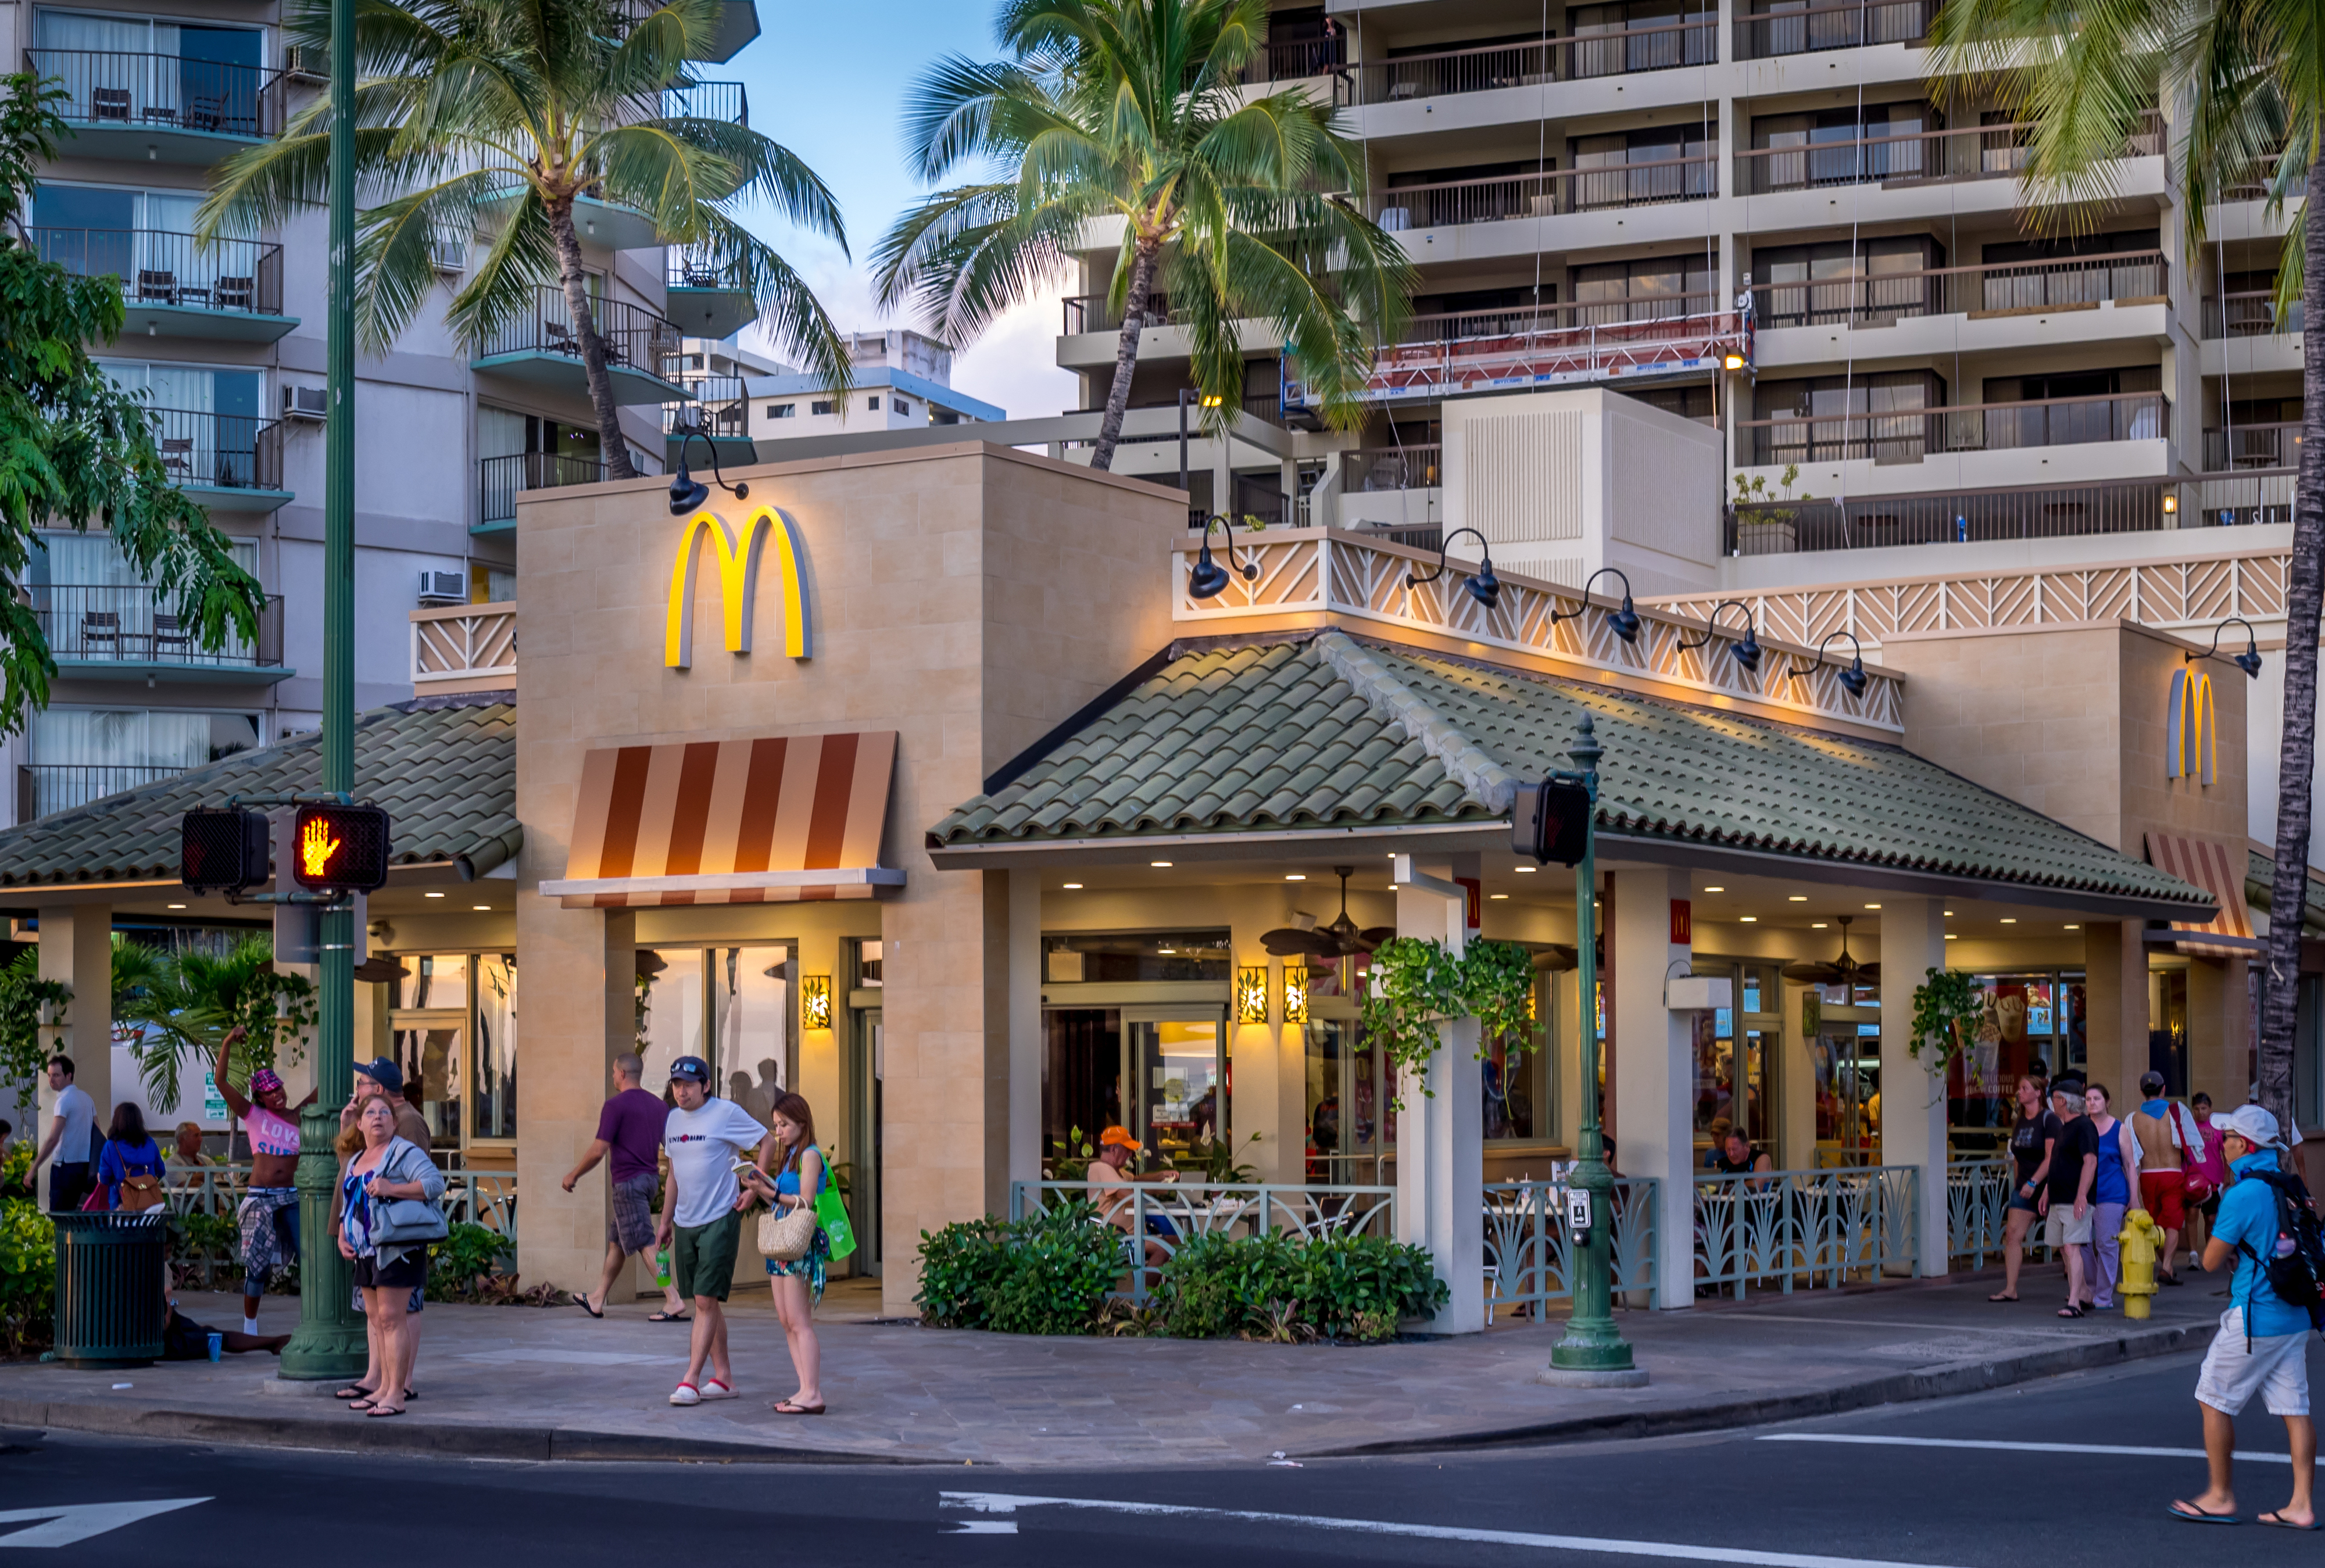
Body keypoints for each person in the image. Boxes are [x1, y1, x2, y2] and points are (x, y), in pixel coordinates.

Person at [2169, 1103, 2319, 1528]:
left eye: (2228, 1137)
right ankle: (2301, 1504)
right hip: (2295, 1317)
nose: (2222, 1143)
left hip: (2255, 1315)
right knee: (2296, 1408)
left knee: (2211, 1395)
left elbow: (2213, 1260)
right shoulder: (2289, 1185)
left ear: (2244, 1145)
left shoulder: (2243, 1194)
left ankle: (2220, 1495)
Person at [654, 1054, 770, 1406]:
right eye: (676, 1084)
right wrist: (665, 1220)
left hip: (720, 1217)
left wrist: (755, 1188)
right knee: (705, 1301)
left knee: (705, 1300)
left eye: (688, 1085)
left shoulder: (725, 1113)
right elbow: (674, 1172)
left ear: (706, 1086)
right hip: (685, 1221)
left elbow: (768, 1142)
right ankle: (724, 1378)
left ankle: (690, 1380)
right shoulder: (673, 1120)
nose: (681, 1091)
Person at [333, 1096, 443, 1418]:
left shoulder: (403, 1152)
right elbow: (349, 1201)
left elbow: (434, 1183)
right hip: (365, 1250)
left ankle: (396, 1393)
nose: (378, 1118)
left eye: (385, 1113)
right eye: (371, 1113)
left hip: (397, 1248)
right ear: (361, 1123)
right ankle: (382, 1387)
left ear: (394, 1123)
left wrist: (391, 1188)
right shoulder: (356, 1160)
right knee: (377, 1319)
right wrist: (343, 1233)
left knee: (393, 1319)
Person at [563, 1051, 686, 1321]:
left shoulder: (615, 1106)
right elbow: (671, 1147)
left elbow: (599, 1149)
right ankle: (597, 1298)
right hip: (650, 1180)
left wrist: (574, 1174)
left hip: (627, 1183)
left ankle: (673, 1299)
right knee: (617, 1242)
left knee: (645, 1241)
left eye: (613, 1073)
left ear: (621, 1074)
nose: (613, 1077)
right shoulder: (658, 1106)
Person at [216, 1029, 314, 1335]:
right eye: (270, 1092)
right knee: (258, 1265)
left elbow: (323, 1092)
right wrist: (228, 1042)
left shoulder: (299, 1116)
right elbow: (220, 1082)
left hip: (292, 1196)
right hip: (261, 1196)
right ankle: (250, 1324)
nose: (277, 1094)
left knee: (310, 1256)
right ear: (259, 1097)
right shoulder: (252, 1114)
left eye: (279, 1088)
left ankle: (314, 1321)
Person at [740, 1091, 828, 1416]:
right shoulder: (791, 1156)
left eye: (784, 1125)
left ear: (802, 1124)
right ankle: (804, 1389)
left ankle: (813, 1392)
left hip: (799, 1244)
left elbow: (804, 1201)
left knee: (800, 1321)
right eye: (776, 1125)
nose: (778, 1131)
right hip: (782, 1241)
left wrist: (771, 1190)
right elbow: (779, 1202)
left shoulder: (810, 1156)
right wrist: (760, 1189)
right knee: (786, 1321)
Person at [1991, 1074, 2059, 1304]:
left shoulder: (2049, 1120)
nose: (2019, 1092)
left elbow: (2052, 1157)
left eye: (2024, 1088)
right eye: (2019, 1089)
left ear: (2038, 1093)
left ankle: (2080, 1290)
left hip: (2048, 1184)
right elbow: (2017, 1155)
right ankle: (2011, 1288)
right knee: (2012, 1235)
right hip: (2024, 1187)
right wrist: (2019, 1181)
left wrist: (2034, 1182)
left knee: (2064, 1240)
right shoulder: (2020, 1120)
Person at [2133, 1072, 2204, 1287]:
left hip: (2147, 1176)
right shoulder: (2178, 1111)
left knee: (2154, 1224)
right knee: (2172, 1224)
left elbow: (2132, 1156)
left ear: (2142, 1092)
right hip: (2172, 1173)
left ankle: (2168, 1268)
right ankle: (2167, 1267)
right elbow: (2194, 1144)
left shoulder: (2132, 1118)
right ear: (2164, 1089)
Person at [2041, 1077, 2099, 1318]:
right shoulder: (2065, 1126)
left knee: (2071, 1247)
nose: (2051, 1103)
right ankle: (2084, 1293)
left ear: (2063, 1101)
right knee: (2064, 1248)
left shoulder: (2084, 1126)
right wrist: (2047, 1191)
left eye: (2054, 1098)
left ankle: (2074, 1301)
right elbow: (2057, 1163)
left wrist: (2082, 1196)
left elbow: (2090, 1161)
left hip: (2074, 1199)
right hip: (2059, 1197)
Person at [2083, 1082, 2142, 1311]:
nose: (2092, 1103)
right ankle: (2089, 1288)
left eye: (2097, 1098)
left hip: (2112, 1194)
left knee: (2107, 1244)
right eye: (2088, 1099)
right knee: (2081, 1244)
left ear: (2107, 1102)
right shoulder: (2082, 1127)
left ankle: (2103, 1296)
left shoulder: (2119, 1128)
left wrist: (2134, 1198)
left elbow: (2130, 1164)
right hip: (2085, 1194)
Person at [32, 1055, 96, 1213]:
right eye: (49, 1075)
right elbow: (97, 1131)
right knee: (77, 1216)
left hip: (65, 1166)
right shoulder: (87, 1099)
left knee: (59, 1216)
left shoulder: (64, 1100)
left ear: (69, 1076)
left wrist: (34, 1168)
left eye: (56, 1075)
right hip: (85, 1166)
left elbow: (53, 1139)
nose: (51, 1080)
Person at [94, 1103, 167, 1211]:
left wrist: (100, 1176)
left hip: (122, 1203)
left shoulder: (111, 1146)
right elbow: (161, 1171)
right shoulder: (150, 1143)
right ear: (139, 1121)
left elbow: (105, 1179)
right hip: (151, 1205)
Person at [2186, 1091, 2230, 1263]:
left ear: (2210, 1108)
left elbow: (2226, 1153)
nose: (2201, 1112)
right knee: (2191, 1214)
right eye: (2197, 1109)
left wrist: (2227, 1175)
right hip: (2193, 1178)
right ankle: (2193, 1255)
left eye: (2204, 1108)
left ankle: (2209, 1254)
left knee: (2211, 1218)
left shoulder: (2219, 1129)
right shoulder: (2188, 1128)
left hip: (2214, 1179)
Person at [1706, 1127, 1773, 1190]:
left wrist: (1731, 1189)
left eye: (1735, 1149)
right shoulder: (1722, 1162)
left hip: (1756, 1202)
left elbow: (1756, 1185)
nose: (1731, 1154)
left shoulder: (1761, 1158)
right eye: (1728, 1150)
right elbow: (1712, 1188)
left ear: (1747, 1146)